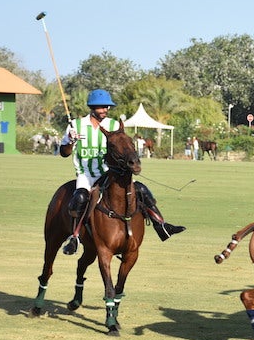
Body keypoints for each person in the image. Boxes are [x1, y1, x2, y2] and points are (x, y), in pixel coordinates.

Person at [59, 89, 186, 255]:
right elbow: (64, 152)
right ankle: (75, 237)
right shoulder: (76, 126)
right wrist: (70, 140)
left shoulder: (114, 125)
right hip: (87, 175)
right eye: (101, 107)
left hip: (110, 174)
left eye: (107, 107)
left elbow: (124, 148)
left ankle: (161, 225)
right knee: (80, 198)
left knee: (141, 189)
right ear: (92, 107)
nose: (105, 110)